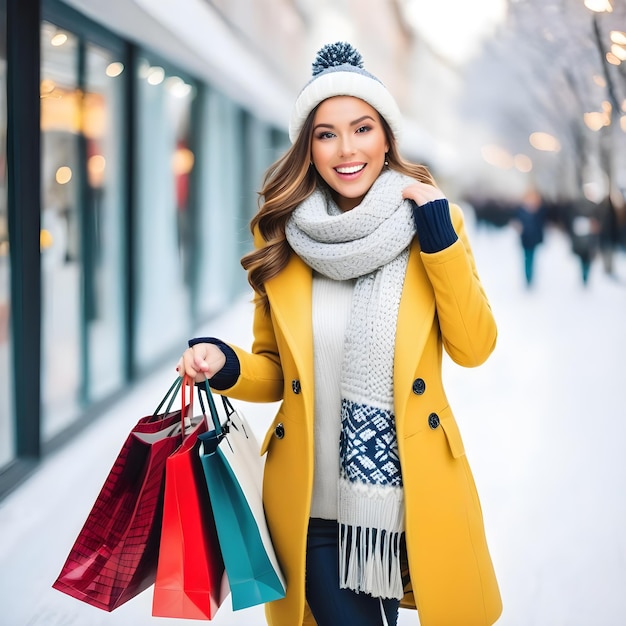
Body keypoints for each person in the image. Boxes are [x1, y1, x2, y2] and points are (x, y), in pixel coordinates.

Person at [177, 42, 502, 626]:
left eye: (362, 128)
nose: (346, 149)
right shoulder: (283, 238)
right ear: (308, 147)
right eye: (326, 134)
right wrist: (222, 363)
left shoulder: (432, 225)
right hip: (315, 512)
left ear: (386, 138)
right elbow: (276, 371)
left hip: (410, 506)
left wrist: (438, 242)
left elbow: (474, 347)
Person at [512, 187, 545, 287]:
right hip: (525, 239)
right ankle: (527, 277)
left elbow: (541, 225)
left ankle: (531, 277)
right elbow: (516, 222)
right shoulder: (521, 210)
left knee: (532, 258)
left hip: (534, 239)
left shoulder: (538, 210)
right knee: (526, 259)